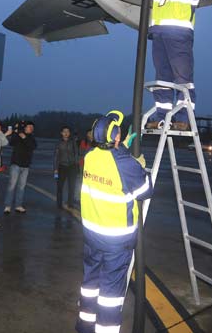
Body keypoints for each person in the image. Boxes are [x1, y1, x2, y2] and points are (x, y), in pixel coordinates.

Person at [76, 110, 153, 333]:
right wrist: (139, 165)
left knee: (90, 284)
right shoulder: (125, 164)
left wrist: (125, 153)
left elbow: (110, 164)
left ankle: (84, 326)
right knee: (110, 294)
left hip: (91, 236)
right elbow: (146, 191)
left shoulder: (91, 156)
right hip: (115, 242)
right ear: (116, 137)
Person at [130, 0, 205, 131]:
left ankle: (183, 118)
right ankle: (162, 116)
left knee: (182, 79)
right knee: (162, 78)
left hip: (179, 36)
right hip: (159, 36)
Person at [4, 121, 37, 214]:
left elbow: (33, 146)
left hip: (26, 166)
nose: (31, 128)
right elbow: (11, 143)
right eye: (29, 126)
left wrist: (25, 138)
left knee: (21, 187)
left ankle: (18, 205)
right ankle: (7, 206)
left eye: (32, 127)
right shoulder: (18, 135)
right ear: (25, 127)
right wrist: (17, 133)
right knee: (12, 185)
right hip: (16, 164)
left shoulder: (31, 138)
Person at [54, 126, 79, 209]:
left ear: (69, 133)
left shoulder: (73, 142)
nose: (66, 133)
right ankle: (59, 204)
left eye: (67, 131)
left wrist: (76, 165)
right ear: (61, 133)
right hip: (62, 167)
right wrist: (55, 169)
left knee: (71, 186)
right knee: (60, 186)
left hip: (72, 166)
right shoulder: (58, 143)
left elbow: (76, 154)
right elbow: (56, 157)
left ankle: (70, 203)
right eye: (64, 131)